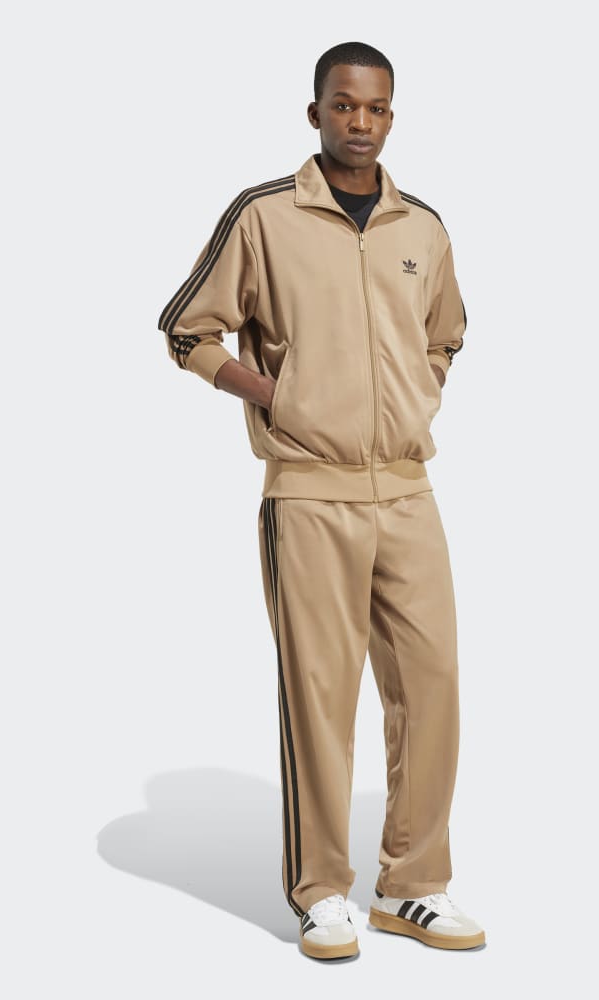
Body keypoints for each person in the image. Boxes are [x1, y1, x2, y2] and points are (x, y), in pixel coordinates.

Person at [157, 40, 485, 960]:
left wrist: (418, 392)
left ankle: (413, 887)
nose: (360, 122)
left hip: (408, 490)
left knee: (433, 687)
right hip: (308, 493)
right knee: (319, 695)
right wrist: (276, 396)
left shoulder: (422, 227)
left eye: (376, 108)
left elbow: (447, 335)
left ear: (392, 117)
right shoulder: (264, 215)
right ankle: (322, 892)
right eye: (344, 105)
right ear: (316, 113)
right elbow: (185, 328)